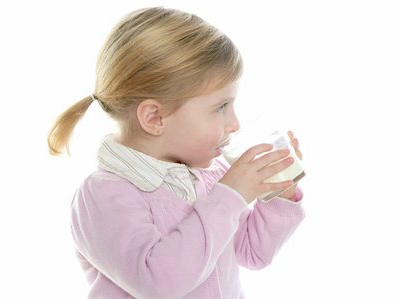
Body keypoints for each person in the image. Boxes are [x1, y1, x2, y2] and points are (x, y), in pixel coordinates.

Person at [48, 7, 305, 299]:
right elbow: (159, 284)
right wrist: (229, 197)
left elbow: (252, 253)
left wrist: (279, 192)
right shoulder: (103, 196)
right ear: (155, 118)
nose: (234, 124)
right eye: (220, 107)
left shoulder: (210, 177)